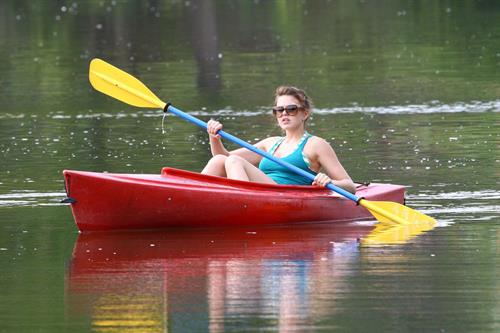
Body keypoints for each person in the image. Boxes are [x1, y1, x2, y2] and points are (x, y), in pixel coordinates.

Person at [201, 86, 356, 194]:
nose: (284, 114)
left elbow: (349, 186)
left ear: (305, 114)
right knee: (220, 160)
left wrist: (329, 182)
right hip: (264, 193)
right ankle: (198, 196)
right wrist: (214, 137)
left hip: (285, 196)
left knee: (235, 161)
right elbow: (223, 157)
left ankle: (241, 202)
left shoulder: (316, 144)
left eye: (291, 109)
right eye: (279, 110)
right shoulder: (270, 143)